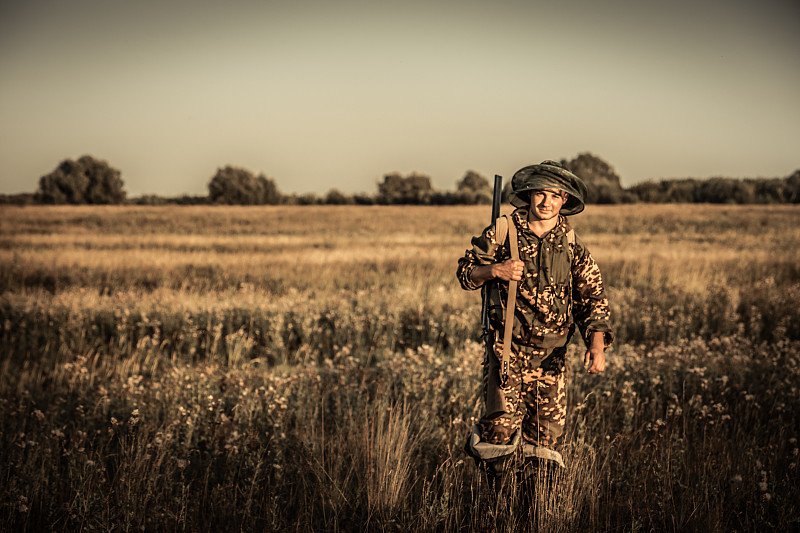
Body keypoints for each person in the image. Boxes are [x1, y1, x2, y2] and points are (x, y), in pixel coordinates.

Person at [457, 160, 613, 488]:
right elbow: (466, 273)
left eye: (555, 196)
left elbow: (593, 298)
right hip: (507, 350)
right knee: (497, 436)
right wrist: (494, 271)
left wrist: (596, 344)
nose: (546, 203)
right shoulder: (503, 230)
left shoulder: (570, 243)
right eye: (540, 194)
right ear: (529, 195)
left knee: (545, 444)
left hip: (552, 358)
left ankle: (534, 513)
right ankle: (493, 510)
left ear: (564, 201)